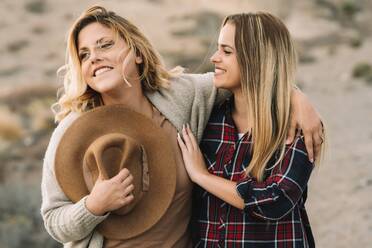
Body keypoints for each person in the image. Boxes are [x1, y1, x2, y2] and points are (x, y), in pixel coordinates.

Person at [41, 6, 323, 248]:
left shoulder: (182, 97)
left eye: (105, 45)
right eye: (84, 54)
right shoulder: (72, 132)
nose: (94, 58)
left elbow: (254, 75)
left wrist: (296, 98)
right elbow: (54, 219)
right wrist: (93, 206)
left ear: (137, 52)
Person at [177, 12, 325, 247]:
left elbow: (277, 200)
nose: (215, 58)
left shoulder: (295, 124)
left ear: (256, 59)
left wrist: (202, 176)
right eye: (218, 49)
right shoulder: (208, 119)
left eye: (227, 52)